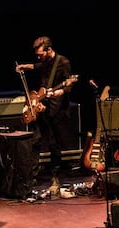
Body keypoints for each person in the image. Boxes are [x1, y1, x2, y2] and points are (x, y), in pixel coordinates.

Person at [15, 36, 74, 194]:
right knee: (35, 140)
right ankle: (31, 177)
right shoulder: (46, 61)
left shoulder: (63, 62)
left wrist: (57, 92)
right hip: (43, 103)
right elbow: (38, 66)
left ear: (49, 50)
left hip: (56, 108)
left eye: (41, 54)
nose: (39, 57)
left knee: (54, 143)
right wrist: (25, 66)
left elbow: (69, 85)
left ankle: (56, 177)